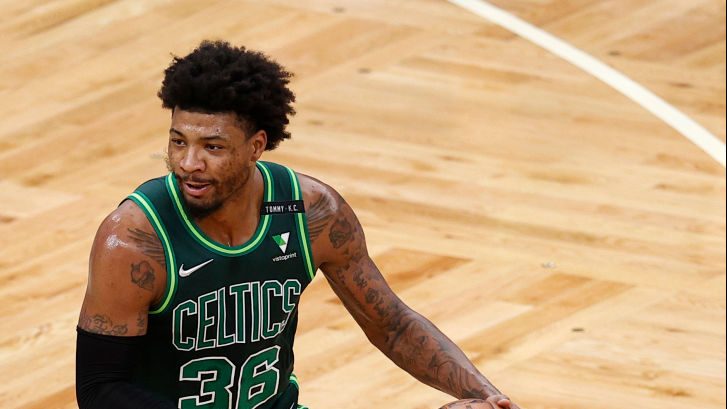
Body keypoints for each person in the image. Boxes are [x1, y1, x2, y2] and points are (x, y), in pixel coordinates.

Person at [76, 40, 521, 409]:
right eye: (178, 141)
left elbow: (392, 325)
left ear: (256, 146)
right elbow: (99, 390)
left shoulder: (312, 213)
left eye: (212, 147)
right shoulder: (134, 240)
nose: (189, 163)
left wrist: (487, 395)